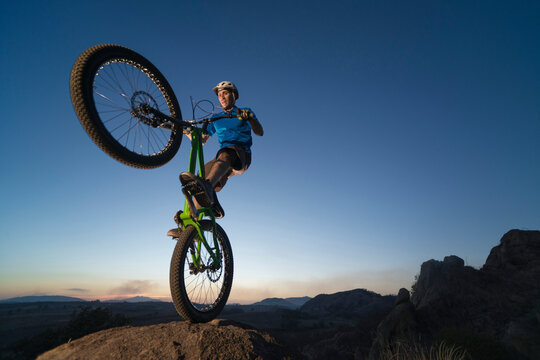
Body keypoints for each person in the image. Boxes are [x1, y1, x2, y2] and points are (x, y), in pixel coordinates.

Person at [179, 81, 264, 219]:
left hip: (241, 155)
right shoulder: (216, 118)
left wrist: (250, 118)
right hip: (223, 159)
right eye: (219, 95)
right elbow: (201, 140)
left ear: (234, 95)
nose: (222, 97)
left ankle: (208, 187)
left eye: (225, 93)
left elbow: (259, 132)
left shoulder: (244, 111)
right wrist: (186, 131)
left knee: (225, 155)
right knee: (199, 180)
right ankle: (191, 222)